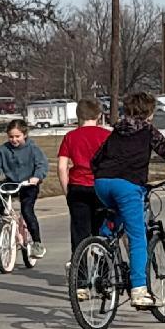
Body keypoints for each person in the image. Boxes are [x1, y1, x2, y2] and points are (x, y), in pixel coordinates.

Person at [91, 92, 165, 308]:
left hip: (102, 183)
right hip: (128, 186)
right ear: (149, 113)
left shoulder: (116, 130)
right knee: (137, 237)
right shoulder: (148, 131)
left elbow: (96, 158)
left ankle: (101, 242)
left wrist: (103, 176)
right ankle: (139, 290)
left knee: (117, 214)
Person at [57, 97, 111, 260]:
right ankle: (103, 274)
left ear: (78, 115)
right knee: (101, 231)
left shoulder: (71, 137)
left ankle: (80, 280)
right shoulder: (107, 136)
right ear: (99, 115)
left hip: (78, 186)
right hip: (101, 187)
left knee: (79, 233)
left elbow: (61, 167)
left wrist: (67, 191)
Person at [0, 119, 49, 258]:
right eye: (11, 137)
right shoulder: (3, 150)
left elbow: (42, 165)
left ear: (24, 135)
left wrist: (36, 177)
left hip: (29, 184)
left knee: (27, 211)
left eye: (17, 136)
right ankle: (4, 216)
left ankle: (37, 243)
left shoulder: (33, 149)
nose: (14, 140)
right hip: (12, 182)